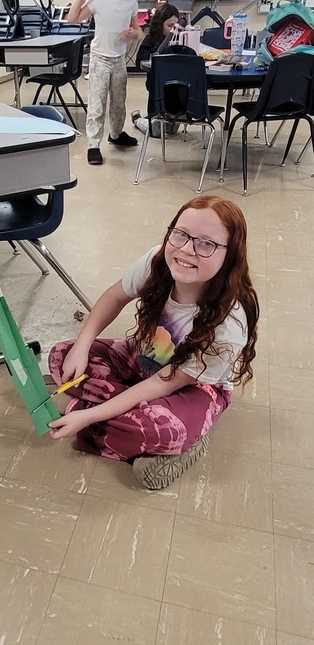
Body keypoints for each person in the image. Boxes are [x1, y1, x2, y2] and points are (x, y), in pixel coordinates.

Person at [48, 195, 259, 490]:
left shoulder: (229, 325)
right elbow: (115, 296)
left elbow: (166, 383)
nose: (186, 249)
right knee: (62, 354)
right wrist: (83, 345)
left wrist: (89, 414)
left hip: (193, 388)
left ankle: (169, 439)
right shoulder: (157, 260)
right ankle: (119, 419)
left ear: (230, 254)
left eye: (206, 243)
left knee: (162, 429)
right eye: (181, 234)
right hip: (146, 357)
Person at [67, 0, 141, 166]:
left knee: (119, 103)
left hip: (119, 60)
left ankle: (116, 135)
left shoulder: (130, 2)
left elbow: (138, 31)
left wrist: (132, 33)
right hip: (99, 59)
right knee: (97, 103)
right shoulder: (96, 1)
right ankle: (93, 145)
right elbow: (72, 19)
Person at [132, 3, 184, 137]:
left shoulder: (182, 39)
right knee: (156, 132)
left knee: (172, 130)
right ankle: (138, 120)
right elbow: (140, 61)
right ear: (160, 24)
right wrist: (157, 51)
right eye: (169, 26)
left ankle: (156, 117)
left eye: (176, 26)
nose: (173, 30)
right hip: (157, 87)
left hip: (176, 89)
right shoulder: (151, 39)